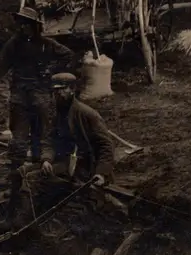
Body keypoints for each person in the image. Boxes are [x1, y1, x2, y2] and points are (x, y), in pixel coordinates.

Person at [0, 5, 78, 221]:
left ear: (34, 26)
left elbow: (68, 55)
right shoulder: (14, 44)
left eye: (27, 24)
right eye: (20, 23)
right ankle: (16, 188)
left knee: (43, 138)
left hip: (40, 96)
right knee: (18, 142)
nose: (23, 27)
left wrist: (51, 71)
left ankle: (40, 183)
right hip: (20, 98)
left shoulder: (46, 44)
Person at [10, 73, 116, 227]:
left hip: (83, 166)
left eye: (62, 89)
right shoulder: (55, 112)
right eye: (54, 90)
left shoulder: (87, 114)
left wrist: (101, 173)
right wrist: (46, 159)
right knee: (19, 173)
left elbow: (106, 145)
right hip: (63, 161)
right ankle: (14, 216)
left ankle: (23, 225)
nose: (57, 93)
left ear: (72, 89)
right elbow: (48, 140)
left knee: (32, 178)